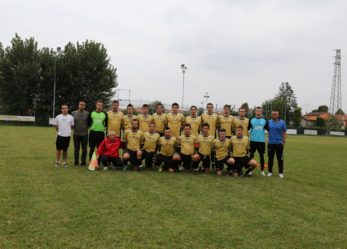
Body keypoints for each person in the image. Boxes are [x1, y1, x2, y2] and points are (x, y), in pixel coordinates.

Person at [248, 106, 268, 175]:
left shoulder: (265, 120)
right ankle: (250, 170)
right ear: (255, 111)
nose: (258, 112)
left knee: (261, 156)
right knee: (251, 156)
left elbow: (269, 129)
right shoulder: (251, 119)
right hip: (253, 140)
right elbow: (247, 129)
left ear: (261, 112)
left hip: (261, 141)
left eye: (260, 111)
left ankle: (262, 171)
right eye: (257, 111)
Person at [267, 110, 287, 178]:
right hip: (271, 143)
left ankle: (280, 173)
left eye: (276, 114)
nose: (274, 115)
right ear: (271, 115)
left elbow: (284, 131)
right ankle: (270, 172)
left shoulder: (282, 122)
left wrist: (284, 140)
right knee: (270, 158)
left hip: (279, 144)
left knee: (280, 159)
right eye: (273, 114)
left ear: (278, 115)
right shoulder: (268, 122)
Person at [71, 100, 89, 166]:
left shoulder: (87, 113)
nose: (82, 106)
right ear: (78, 105)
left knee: (84, 150)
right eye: (81, 104)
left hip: (85, 135)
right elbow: (71, 123)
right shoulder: (73, 113)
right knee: (76, 149)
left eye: (83, 105)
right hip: (76, 134)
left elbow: (89, 123)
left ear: (85, 106)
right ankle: (76, 162)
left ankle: (83, 162)